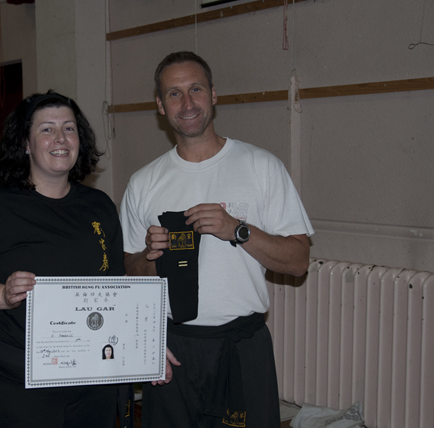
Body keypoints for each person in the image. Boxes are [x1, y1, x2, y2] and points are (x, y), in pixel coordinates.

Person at [119, 51, 314, 428]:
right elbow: (129, 271)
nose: (187, 103)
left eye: (195, 89)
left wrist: (238, 231)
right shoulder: (144, 182)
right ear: (160, 105)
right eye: (174, 94)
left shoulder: (261, 166)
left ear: (214, 94)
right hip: (170, 349)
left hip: (242, 347)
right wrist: (150, 258)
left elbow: (298, 261)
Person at [0, 91, 126, 428]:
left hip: (92, 373)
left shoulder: (100, 207)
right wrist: (2, 295)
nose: (60, 138)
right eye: (46, 129)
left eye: (69, 128)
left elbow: (117, 288)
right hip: (18, 378)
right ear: (25, 142)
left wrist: (144, 349)